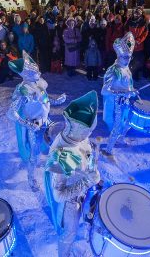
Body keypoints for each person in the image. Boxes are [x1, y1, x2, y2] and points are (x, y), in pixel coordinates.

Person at [44, 91, 100, 257]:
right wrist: (87, 182)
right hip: (70, 202)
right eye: (87, 131)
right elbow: (59, 195)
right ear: (75, 127)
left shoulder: (78, 138)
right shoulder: (63, 155)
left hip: (82, 193)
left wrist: (92, 167)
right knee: (69, 234)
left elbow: (87, 154)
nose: (88, 135)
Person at [7, 51, 66, 191]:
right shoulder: (23, 91)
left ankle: (54, 168)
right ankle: (31, 178)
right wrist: (28, 125)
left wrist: (56, 101)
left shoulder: (38, 82)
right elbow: (11, 113)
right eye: (34, 72)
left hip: (46, 120)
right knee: (34, 155)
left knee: (57, 141)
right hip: (33, 125)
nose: (38, 73)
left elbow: (43, 99)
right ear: (26, 75)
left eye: (37, 69)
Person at [101, 32, 137, 156]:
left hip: (125, 102)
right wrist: (123, 92)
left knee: (127, 123)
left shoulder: (127, 69)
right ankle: (108, 149)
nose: (127, 60)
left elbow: (129, 86)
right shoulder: (113, 70)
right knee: (116, 126)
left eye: (129, 57)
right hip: (116, 104)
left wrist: (132, 91)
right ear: (119, 56)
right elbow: (105, 90)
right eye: (125, 57)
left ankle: (121, 139)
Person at [125, 7, 149, 81]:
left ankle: (135, 74)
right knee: (129, 60)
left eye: (138, 12)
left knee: (137, 61)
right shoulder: (129, 20)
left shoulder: (144, 21)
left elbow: (145, 33)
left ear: (141, 13)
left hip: (139, 45)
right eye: (135, 12)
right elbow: (125, 30)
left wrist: (139, 40)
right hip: (130, 44)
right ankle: (128, 74)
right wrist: (129, 39)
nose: (137, 14)